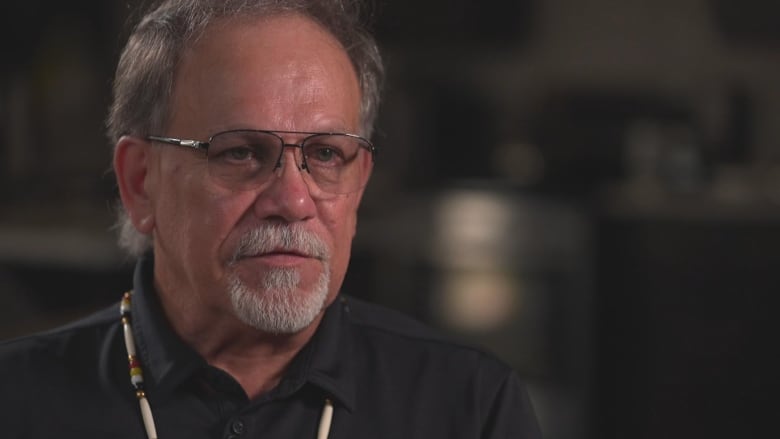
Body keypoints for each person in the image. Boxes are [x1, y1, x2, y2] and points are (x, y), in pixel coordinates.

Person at [0, 0, 542, 437]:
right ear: (142, 182)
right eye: (240, 152)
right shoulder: (18, 399)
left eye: (327, 154)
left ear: (359, 183)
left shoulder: (469, 405)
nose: (293, 200)